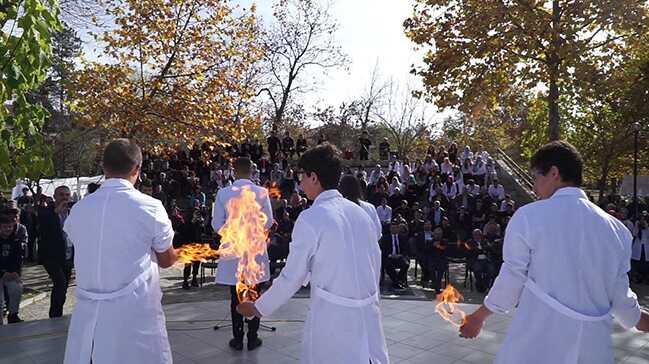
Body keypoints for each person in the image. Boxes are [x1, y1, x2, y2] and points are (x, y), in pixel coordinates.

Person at [460, 140, 649, 363]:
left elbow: (512, 279)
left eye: (535, 178)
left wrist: (478, 317)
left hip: (538, 344)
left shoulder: (529, 217)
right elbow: (622, 300)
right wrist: (640, 319)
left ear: (553, 173)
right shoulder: (618, 230)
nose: (533, 187)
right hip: (593, 350)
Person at [236, 143, 389, 364]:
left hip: (333, 319)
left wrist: (259, 307)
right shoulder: (362, 213)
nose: (300, 182)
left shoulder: (312, 218)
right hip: (369, 314)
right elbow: (374, 263)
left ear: (314, 177)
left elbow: (292, 276)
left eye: (302, 176)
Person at [62, 139, 178, 364]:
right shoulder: (150, 207)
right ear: (137, 169)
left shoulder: (79, 209)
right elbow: (166, 260)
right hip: (134, 314)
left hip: (89, 315)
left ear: (104, 168)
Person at [211, 157, 273, 351]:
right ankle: (253, 338)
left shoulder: (223, 193)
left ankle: (238, 339)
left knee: (235, 296)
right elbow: (269, 221)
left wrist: (233, 233)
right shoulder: (261, 192)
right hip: (254, 248)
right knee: (254, 295)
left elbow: (216, 224)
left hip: (234, 250)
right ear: (252, 171)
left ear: (233, 170)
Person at [37, 185, 74, 318]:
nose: (64, 198)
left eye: (67, 195)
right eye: (61, 195)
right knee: (60, 282)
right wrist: (55, 213)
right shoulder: (46, 211)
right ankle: (55, 315)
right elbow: (42, 227)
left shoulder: (73, 211)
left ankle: (58, 312)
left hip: (68, 254)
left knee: (63, 287)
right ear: (54, 196)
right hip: (51, 256)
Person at [0, 213, 25, 324]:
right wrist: (2, 273)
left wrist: (16, 272)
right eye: (5, 227)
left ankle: (13, 315)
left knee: (17, 287)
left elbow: (18, 259)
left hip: (11, 273)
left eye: (10, 226)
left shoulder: (16, 240)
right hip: (1, 273)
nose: (8, 229)